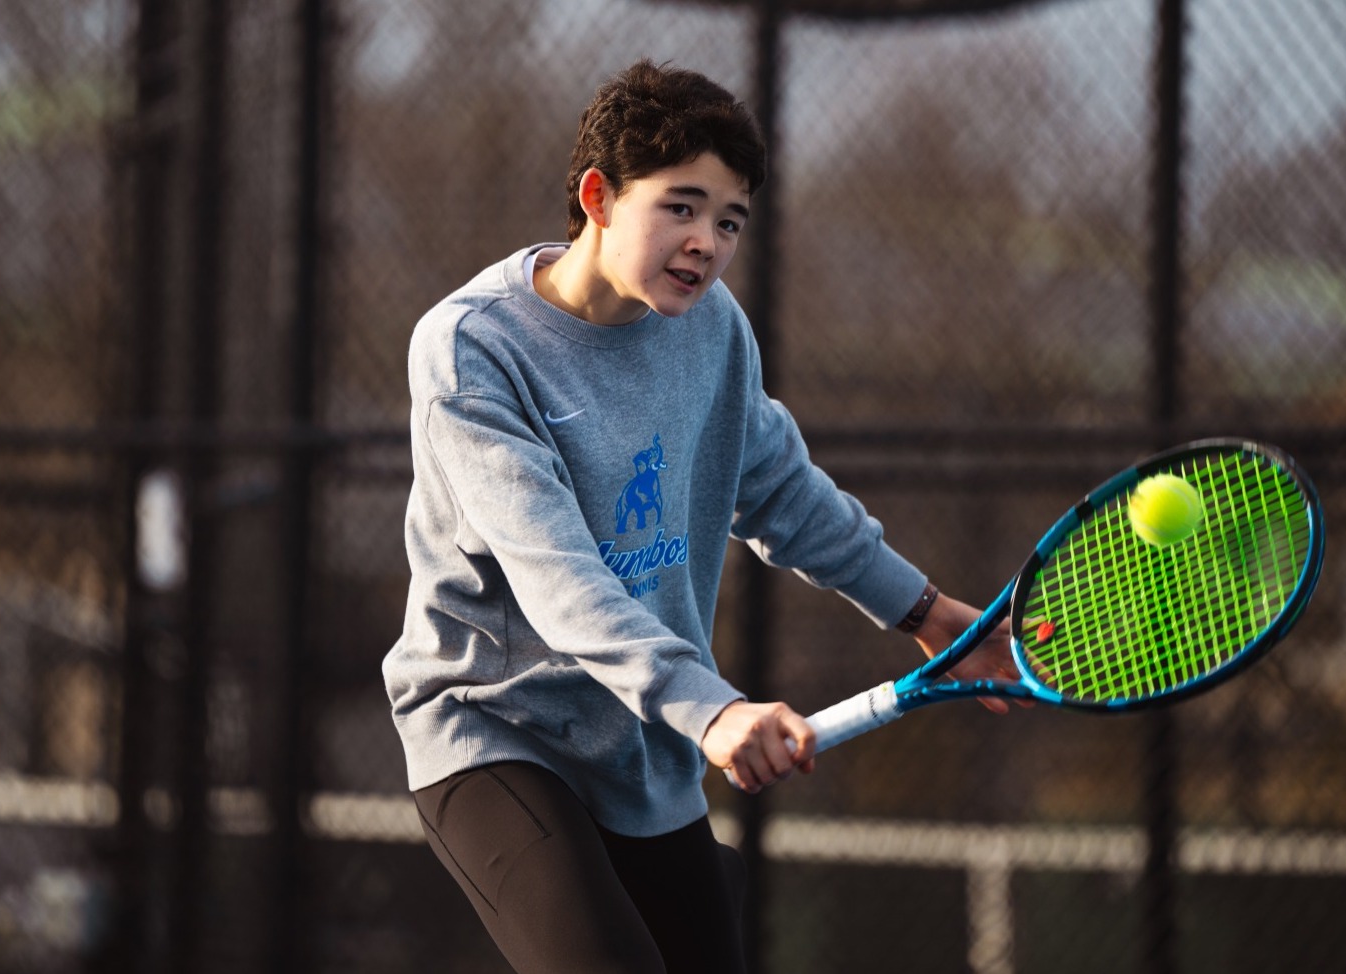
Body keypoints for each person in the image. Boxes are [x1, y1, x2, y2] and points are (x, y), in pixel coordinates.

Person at [383, 59, 1018, 974]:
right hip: (497, 732)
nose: (707, 242)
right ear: (598, 197)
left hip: (646, 749)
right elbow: (558, 574)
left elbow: (780, 491)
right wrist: (712, 711)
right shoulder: (471, 347)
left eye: (729, 221)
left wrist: (924, 612)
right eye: (680, 207)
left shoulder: (713, 328)